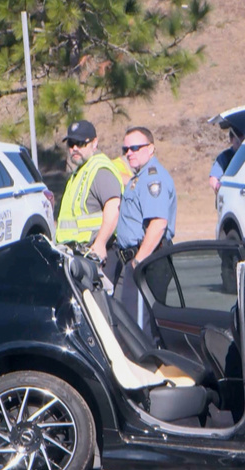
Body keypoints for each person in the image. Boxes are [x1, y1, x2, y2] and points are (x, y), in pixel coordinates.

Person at [114, 126, 176, 330]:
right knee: (130, 326)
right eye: (125, 149)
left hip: (146, 261)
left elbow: (158, 224)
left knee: (139, 330)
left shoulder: (152, 177)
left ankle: (144, 363)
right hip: (135, 260)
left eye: (135, 148)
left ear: (150, 148)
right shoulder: (139, 178)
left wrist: (138, 261)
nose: (129, 153)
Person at [56, 120, 128, 283]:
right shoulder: (80, 171)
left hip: (98, 255)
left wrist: (101, 244)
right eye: (71, 143)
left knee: (99, 306)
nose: (74, 148)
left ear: (94, 143)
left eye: (80, 143)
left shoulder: (100, 169)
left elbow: (113, 207)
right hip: (79, 256)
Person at [208, 127, 242, 193]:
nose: (241, 143)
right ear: (231, 140)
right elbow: (213, 179)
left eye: (243, 140)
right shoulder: (224, 157)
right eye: (238, 141)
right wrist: (219, 189)